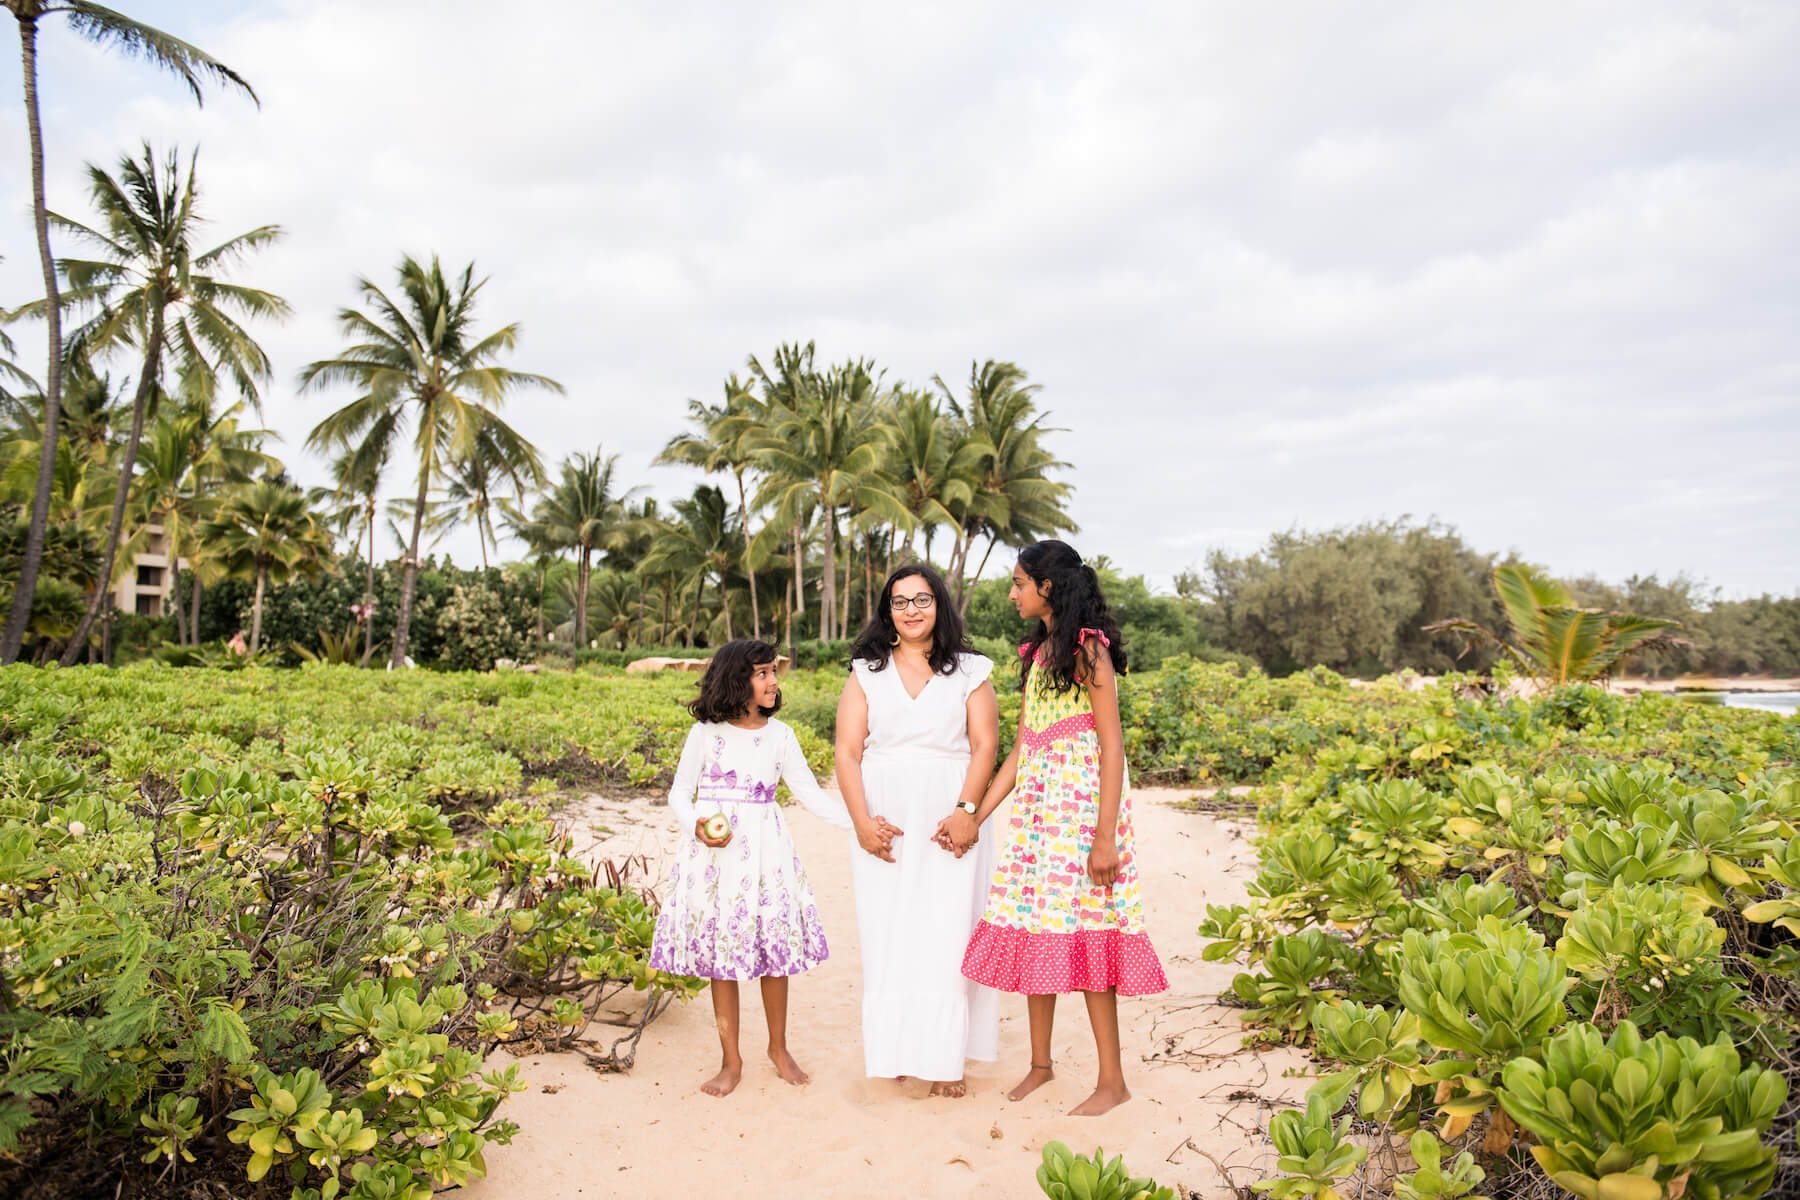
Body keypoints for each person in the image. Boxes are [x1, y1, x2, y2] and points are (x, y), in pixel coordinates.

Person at [941, 539, 1167, 1116]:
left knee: (1090, 937)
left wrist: (1104, 835)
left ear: (1048, 587)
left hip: (1082, 816)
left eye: (1019, 583)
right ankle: (1041, 1065)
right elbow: (1021, 750)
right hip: (1038, 823)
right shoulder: (1037, 654)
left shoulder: (1091, 650)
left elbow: (1112, 748)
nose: (1012, 593)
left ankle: (1112, 1081)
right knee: (1034, 929)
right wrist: (972, 817)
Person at [647, 639, 853, 1097]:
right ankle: (731, 1060)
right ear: (737, 678)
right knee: (723, 958)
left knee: (773, 956)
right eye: (763, 673)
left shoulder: (780, 736)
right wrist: (696, 824)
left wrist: (857, 824)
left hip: (766, 855)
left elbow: (809, 794)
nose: (773, 681)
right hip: (715, 857)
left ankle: (778, 1048)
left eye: (773, 672)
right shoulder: (705, 733)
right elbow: (679, 793)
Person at [835, 564, 999, 1098]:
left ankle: (947, 1060)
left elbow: (986, 746)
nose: (911, 610)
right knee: (889, 932)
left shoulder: (970, 669)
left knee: (948, 928)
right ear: (887, 610)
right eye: (900, 601)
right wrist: (861, 822)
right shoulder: (866, 671)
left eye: (922, 599)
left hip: (949, 815)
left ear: (940, 605)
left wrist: (966, 810)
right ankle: (899, 1050)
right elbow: (848, 752)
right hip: (885, 820)